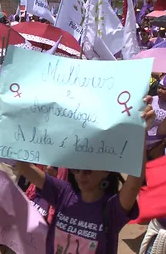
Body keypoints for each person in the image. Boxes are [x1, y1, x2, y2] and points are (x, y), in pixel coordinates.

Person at [11, 97, 155, 254]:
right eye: (75, 169)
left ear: (105, 171)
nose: (80, 176)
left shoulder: (111, 209)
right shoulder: (62, 192)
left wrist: (140, 133)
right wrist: (9, 120)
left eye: (87, 170)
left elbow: (134, 182)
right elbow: (23, 167)